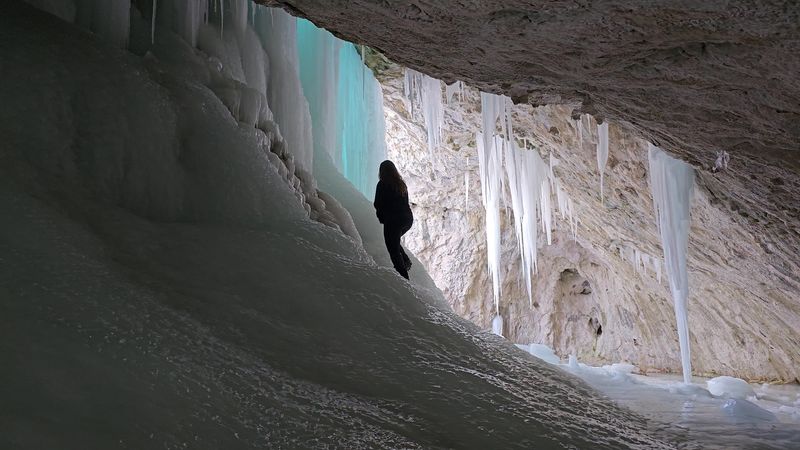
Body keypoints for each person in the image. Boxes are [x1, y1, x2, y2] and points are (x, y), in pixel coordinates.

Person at [374, 160, 414, 279]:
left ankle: (404, 277)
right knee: (394, 241)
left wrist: (382, 217)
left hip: (393, 220)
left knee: (393, 249)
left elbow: (378, 203)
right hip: (407, 220)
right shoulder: (401, 183)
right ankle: (406, 261)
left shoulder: (382, 184)